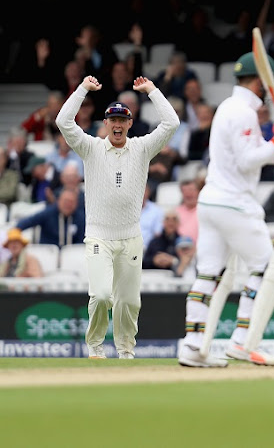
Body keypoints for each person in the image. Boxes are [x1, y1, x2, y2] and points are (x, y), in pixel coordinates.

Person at [178, 51, 274, 368]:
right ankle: (243, 342)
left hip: (212, 201)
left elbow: (251, 157)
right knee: (268, 267)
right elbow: (248, 160)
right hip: (233, 202)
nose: (269, 91)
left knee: (209, 274)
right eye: (267, 85)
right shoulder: (242, 112)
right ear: (259, 82)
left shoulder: (229, 107)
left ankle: (192, 347)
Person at [56, 74, 179, 360]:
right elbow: (63, 121)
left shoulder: (142, 148)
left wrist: (151, 90)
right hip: (99, 235)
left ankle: (125, 351)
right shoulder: (91, 148)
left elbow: (171, 123)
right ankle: (96, 346)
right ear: (105, 124)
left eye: (123, 120)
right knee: (100, 296)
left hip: (131, 238)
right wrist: (83, 89)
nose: (118, 125)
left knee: (128, 302)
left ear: (129, 124)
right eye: (113, 120)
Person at [16, 189, 85, 248]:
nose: (68, 205)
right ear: (59, 201)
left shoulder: (81, 218)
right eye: (65, 201)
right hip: (47, 253)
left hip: (70, 256)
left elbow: (82, 241)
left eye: (71, 202)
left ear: (76, 204)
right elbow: (24, 224)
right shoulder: (48, 213)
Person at [175, 179, 199, 243]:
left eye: (191, 190)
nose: (188, 193)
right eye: (184, 190)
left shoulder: (203, 210)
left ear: (198, 191)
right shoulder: (175, 212)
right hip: (178, 248)